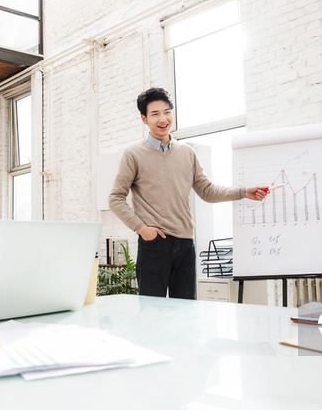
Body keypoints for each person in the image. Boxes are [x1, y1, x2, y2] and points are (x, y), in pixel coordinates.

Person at [109, 88, 268, 299]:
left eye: (167, 111)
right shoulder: (133, 153)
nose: (163, 118)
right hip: (153, 244)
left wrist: (242, 192)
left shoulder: (187, 153)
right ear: (144, 119)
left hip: (185, 244)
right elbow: (115, 197)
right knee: (152, 313)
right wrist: (142, 229)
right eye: (155, 113)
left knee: (185, 312)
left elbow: (207, 191)